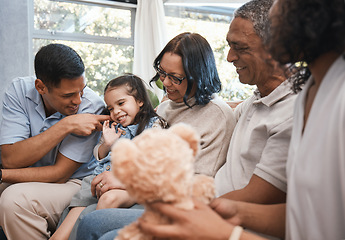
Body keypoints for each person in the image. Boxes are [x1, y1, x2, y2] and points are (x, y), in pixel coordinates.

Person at [138, 0, 345, 239]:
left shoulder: (326, 102)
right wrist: (229, 210)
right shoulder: (307, 91)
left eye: (241, 47)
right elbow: (306, 217)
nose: (228, 57)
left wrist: (224, 230)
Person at [75, 32, 236, 240]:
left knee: (93, 222)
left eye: (175, 78)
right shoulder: (167, 107)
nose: (165, 83)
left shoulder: (217, 115)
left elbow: (196, 184)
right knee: (82, 213)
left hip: (181, 206)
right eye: (162, 73)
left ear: (199, 75)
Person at [0, 43, 108, 240]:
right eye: (68, 95)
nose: (78, 100)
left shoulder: (91, 105)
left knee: (13, 200)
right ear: (41, 87)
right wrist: (65, 125)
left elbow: (59, 174)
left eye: (81, 90)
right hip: (33, 173)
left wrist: (2, 175)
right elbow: (10, 158)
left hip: (76, 182)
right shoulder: (18, 91)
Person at [51, 74, 168, 240]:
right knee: (70, 218)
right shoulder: (114, 128)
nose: (116, 111)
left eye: (121, 103)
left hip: (124, 182)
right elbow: (98, 156)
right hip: (97, 179)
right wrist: (108, 144)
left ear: (140, 100)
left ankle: (94, 230)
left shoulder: (154, 126)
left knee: (101, 208)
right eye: (111, 108)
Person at [214, 0, 296, 204]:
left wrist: (192, 209)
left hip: (223, 218)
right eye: (229, 45)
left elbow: (256, 198)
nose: (229, 57)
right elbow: (231, 109)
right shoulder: (257, 99)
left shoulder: (292, 115)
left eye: (240, 48)